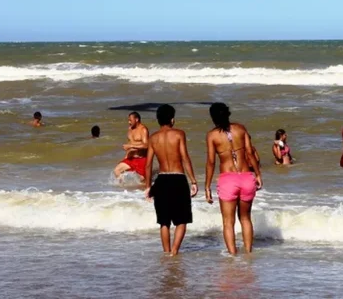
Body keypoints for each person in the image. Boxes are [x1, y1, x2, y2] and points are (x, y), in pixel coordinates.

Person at [205, 102, 263, 255]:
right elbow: (250, 153)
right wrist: (257, 174)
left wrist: (207, 186)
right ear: (228, 114)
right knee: (245, 219)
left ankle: (233, 256)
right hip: (246, 177)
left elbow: (211, 162)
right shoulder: (241, 129)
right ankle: (249, 253)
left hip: (228, 180)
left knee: (228, 222)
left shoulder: (212, 135)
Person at [144, 104, 198, 256]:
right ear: (172, 119)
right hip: (178, 179)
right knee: (182, 220)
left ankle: (167, 253)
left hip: (161, 181)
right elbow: (185, 157)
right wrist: (193, 181)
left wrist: (148, 186)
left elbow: (148, 165)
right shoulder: (179, 134)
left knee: (164, 222)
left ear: (158, 120)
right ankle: (174, 251)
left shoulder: (153, 138)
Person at [113, 112, 149, 179]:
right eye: (128, 120)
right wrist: (125, 158)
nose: (129, 122)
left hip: (141, 159)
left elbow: (146, 145)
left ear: (136, 119)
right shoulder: (130, 129)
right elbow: (129, 144)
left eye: (130, 120)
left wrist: (131, 146)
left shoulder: (143, 130)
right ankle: (124, 189)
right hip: (131, 158)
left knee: (141, 182)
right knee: (116, 171)